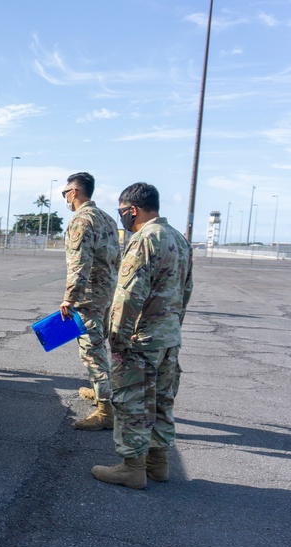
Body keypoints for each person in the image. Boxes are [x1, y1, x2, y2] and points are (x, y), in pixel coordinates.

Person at [91, 182, 193, 489]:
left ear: (132, 209)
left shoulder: (143, 241)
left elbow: (127, 296)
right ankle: (158, 463)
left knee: (132, 401)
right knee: (162, 401)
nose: (121, 216)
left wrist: (117, 339)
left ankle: (132, 467)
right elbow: (186, 290)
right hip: (168, 338)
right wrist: (173, 326)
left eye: (122, 211)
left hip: (141, 340)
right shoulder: (179, 239)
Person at [59, 172, 120, 430]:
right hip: (106, 293)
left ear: (74, 192)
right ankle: (99, 392)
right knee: (98, 345)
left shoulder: (81, 220)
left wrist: (69, 298)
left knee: (92, 351)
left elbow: (79, 264)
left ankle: (106, 411)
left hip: (89, 297)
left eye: (64, 193)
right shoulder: (106, 218)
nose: (64, 197)